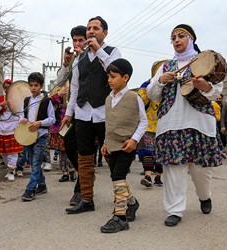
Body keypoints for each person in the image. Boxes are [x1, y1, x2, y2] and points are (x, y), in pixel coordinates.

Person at [147, 24, 224, 227]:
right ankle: (175, 210)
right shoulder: (165, 66)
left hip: (199, 124)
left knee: (200, 171)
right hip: (171, 124)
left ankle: (204, 196)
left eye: (181, 36)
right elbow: (152, 95)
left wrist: (204, 86)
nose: (176, 40)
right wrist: (160, 81)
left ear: (191, 39)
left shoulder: (204, 60)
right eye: (173, 37)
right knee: (174, 169)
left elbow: (216, 92)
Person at [62, 16, 122, 214]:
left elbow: (116, 73)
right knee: (84, 157)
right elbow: (75, 88)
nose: (90, 31)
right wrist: (69, 113)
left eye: (96, 28)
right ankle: (86, 199)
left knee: (112, 156)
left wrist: (99, 50)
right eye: (89, 28)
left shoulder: (112, 52)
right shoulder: (80, 58)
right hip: (83, 113)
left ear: (105, 32)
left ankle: (124, 200)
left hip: (105, 113)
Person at [100, 58, 147, 233]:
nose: (109, 80)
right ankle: (132, 203)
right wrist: (105, 142)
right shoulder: (108, 99)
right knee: (118, 178)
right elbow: (109, 123)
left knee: (117, 176)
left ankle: (120, 217)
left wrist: (134, 139)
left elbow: (143, 121)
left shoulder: (134, 97)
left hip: (127, 146)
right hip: (111, 145)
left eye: (113, 76)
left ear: (125, 77)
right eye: (108, 77)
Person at [57, 25, 87, 206]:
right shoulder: (74, 60)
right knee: (68, 144)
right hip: (73, 110)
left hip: (90, 111)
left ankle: (81, 187)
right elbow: (60, 81)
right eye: (74, 40)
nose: (77, 43)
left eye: (80, 40)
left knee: (85, 150)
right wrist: (66, 63)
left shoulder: (92, 57)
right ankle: (85, 176)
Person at [20, 72, 55, 201]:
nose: (33, 88)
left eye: (36, 85)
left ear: (41, 86)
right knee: (31, 159)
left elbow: (52, 119)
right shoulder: (26, 100)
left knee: (36, 162)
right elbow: (21, 115)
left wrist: (40, 123)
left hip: (41, 135)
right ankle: (42, 185)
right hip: (28, 136)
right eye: (31, 85)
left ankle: (30, 189)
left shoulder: (46, 101)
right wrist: (22, 119)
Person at [137, 61, 167, 188]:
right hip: (149, 125)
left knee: (161, 154)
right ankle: (148, 175)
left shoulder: (171, 87)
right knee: (148, 152)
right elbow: (140, 103)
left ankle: (158, 176)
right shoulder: (146, 85)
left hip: (164, 126)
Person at [0, 79, 23, 182]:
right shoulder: (0, 98)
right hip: (2, 127)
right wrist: (1, 105)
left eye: (9, 87)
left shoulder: (18, 99)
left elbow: (22, 112)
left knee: (12, 151)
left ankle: (11, 170)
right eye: (5, 87)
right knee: (3, 152)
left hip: (13, 126)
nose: (7, 89)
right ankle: (9, 168)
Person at [48, 85, 76, 182]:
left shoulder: (69, 102)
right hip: (57, 129)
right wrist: (58, 94)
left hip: (68, 128)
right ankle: (65, 172)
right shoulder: (54, 104)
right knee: (62, 151)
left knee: (69, 150)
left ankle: (72, 170)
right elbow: (49, 100)